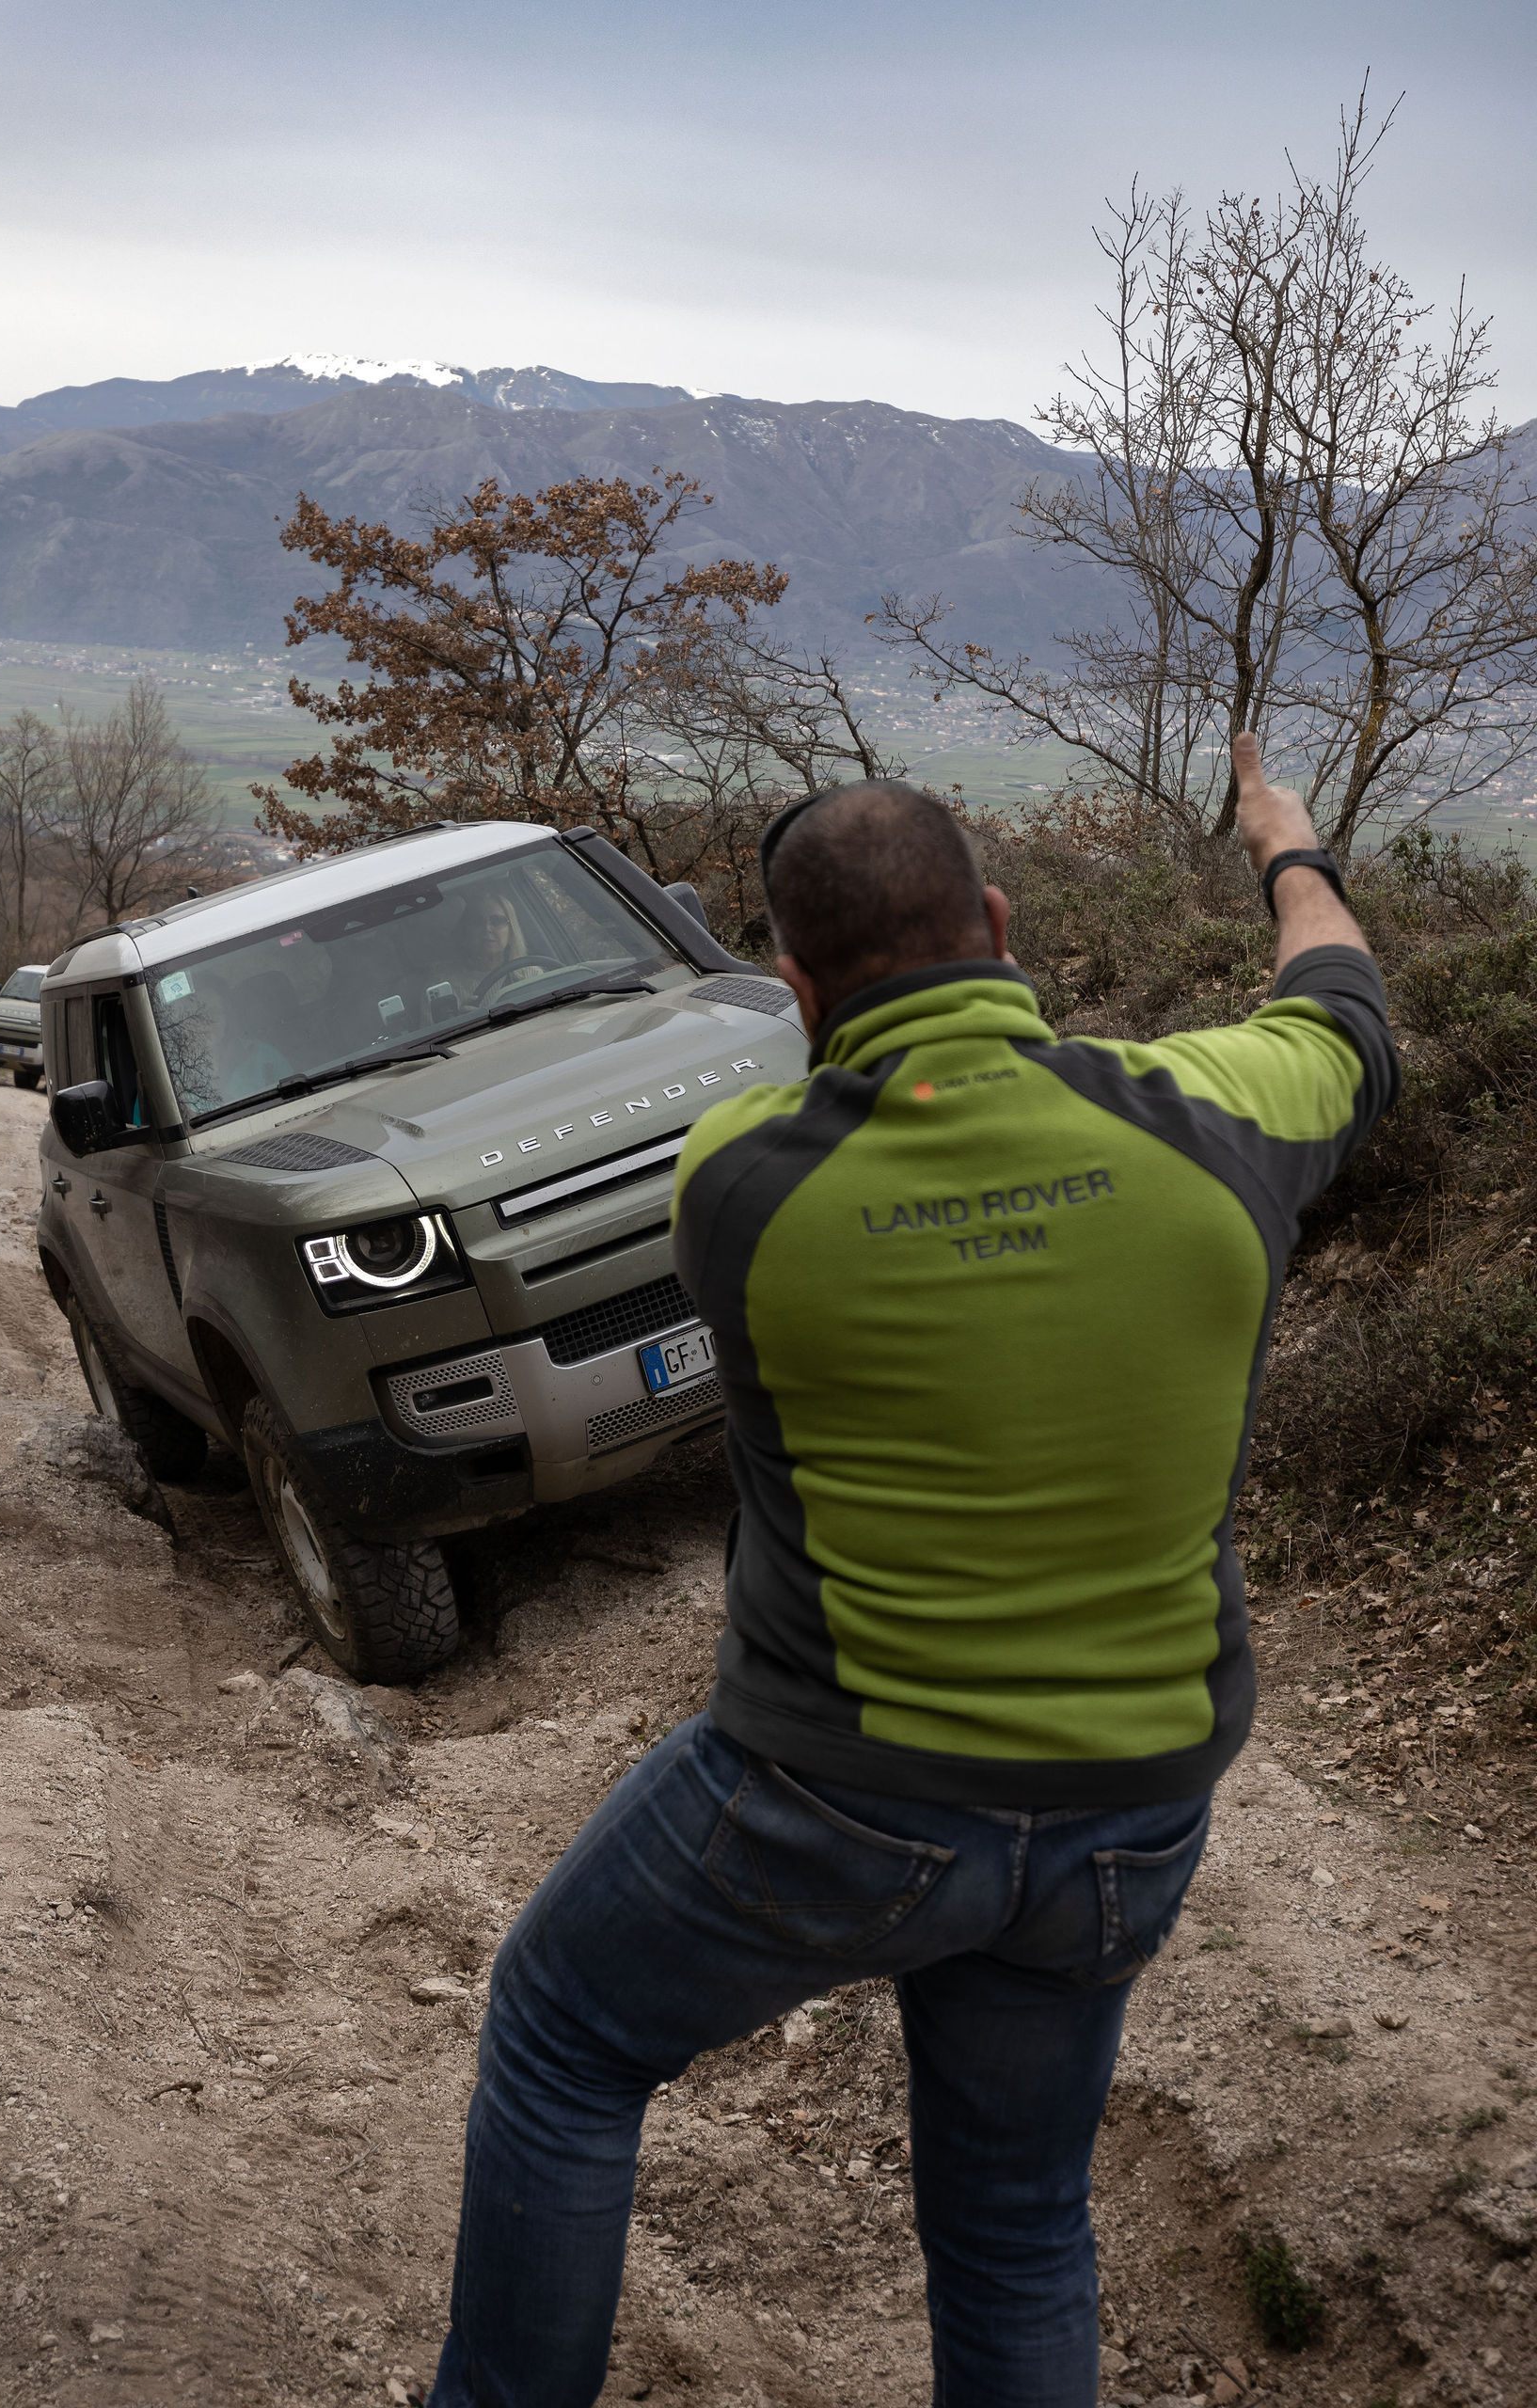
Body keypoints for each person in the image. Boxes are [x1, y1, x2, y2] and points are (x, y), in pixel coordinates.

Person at [424, 736, 1397, 2408]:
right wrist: (1287, 850)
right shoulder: (1218, 1116)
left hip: (830, 1799)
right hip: (1125, 1810)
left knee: (565, 2037)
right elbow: (1347, 1021)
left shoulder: (734, 1183)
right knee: (1019, 2223)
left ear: (796, 987)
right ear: (1003, 924)